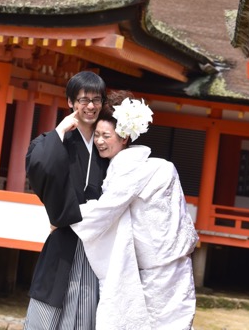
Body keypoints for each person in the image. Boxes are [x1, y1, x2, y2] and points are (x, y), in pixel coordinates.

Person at [69, 92, 198, 330]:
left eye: (106, 135)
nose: (99, 141)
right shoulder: (162, 167)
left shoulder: (128, 168)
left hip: (155, 268)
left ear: (125, 137)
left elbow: (105, 210)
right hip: (176, 261)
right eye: (96, 135)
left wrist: (67, 216)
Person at [24, 71, 109, 330]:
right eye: (83, 100)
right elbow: (39, 165)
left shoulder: (106, 143)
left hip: (97, 244)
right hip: (64, 237)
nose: (91, 106)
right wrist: (60, 130)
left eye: (96, 100)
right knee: (46, 313)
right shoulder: (56, 140)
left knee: (87, 313)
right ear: (71, 102)